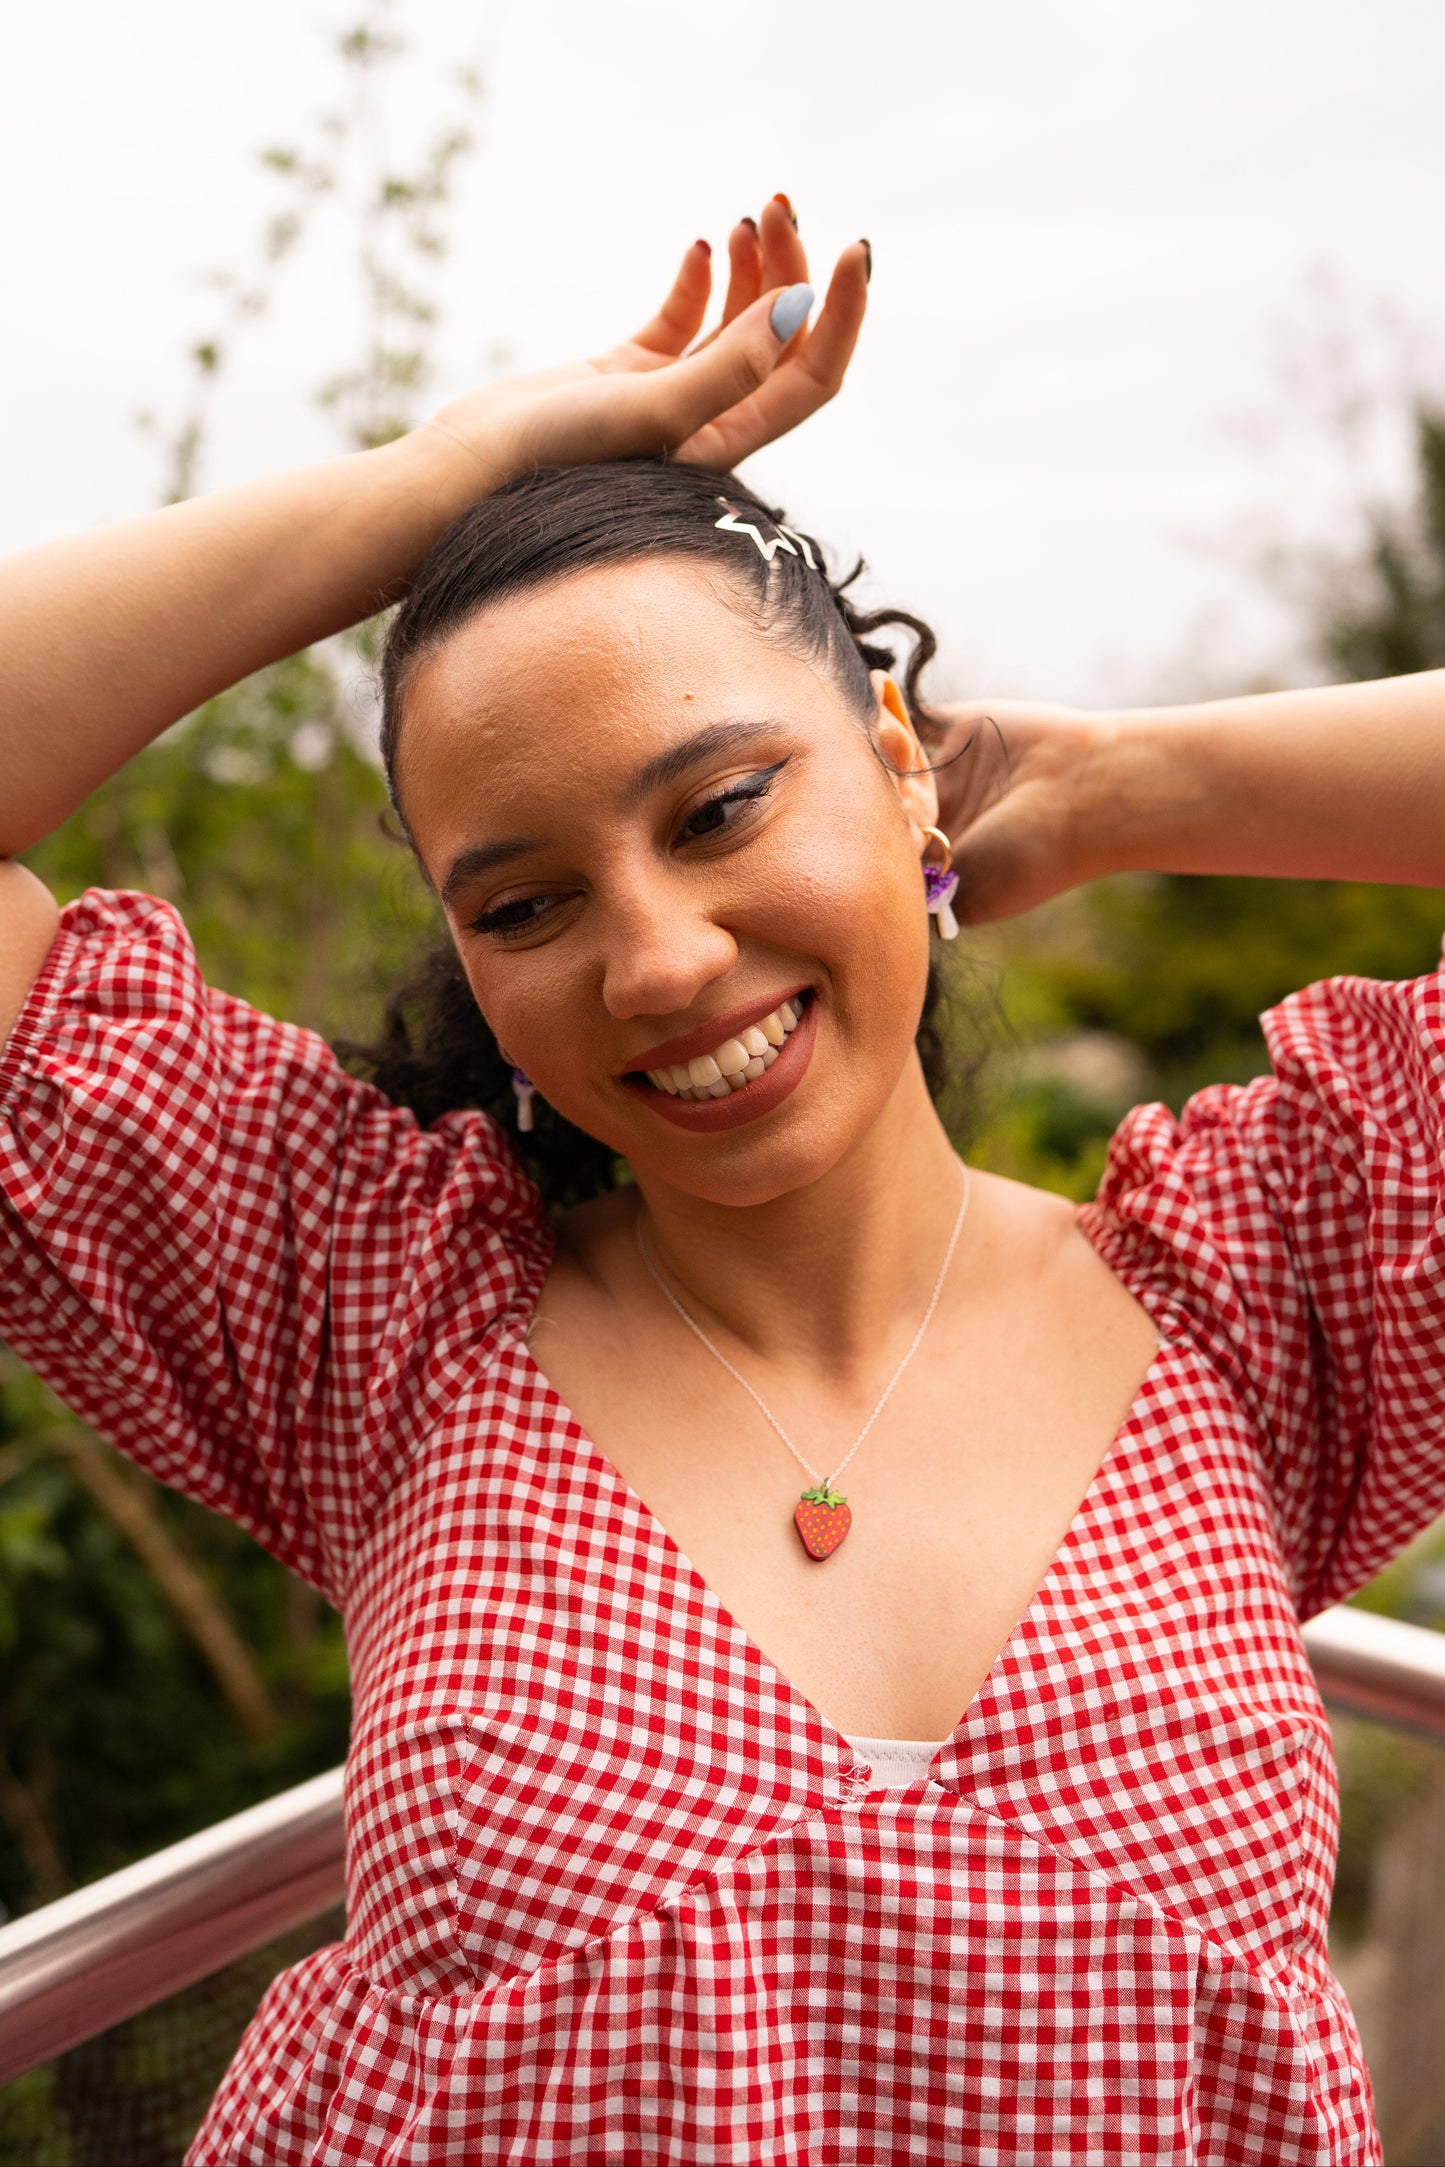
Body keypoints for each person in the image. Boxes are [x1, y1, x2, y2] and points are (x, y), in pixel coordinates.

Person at [1, 195, 1441, 2167]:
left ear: (896, 759)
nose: (660, 962)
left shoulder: (1278, 1278)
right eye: (525, 904)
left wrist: (1123, 783)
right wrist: (445, 475)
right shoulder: (366, 1305)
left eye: (722, 807)